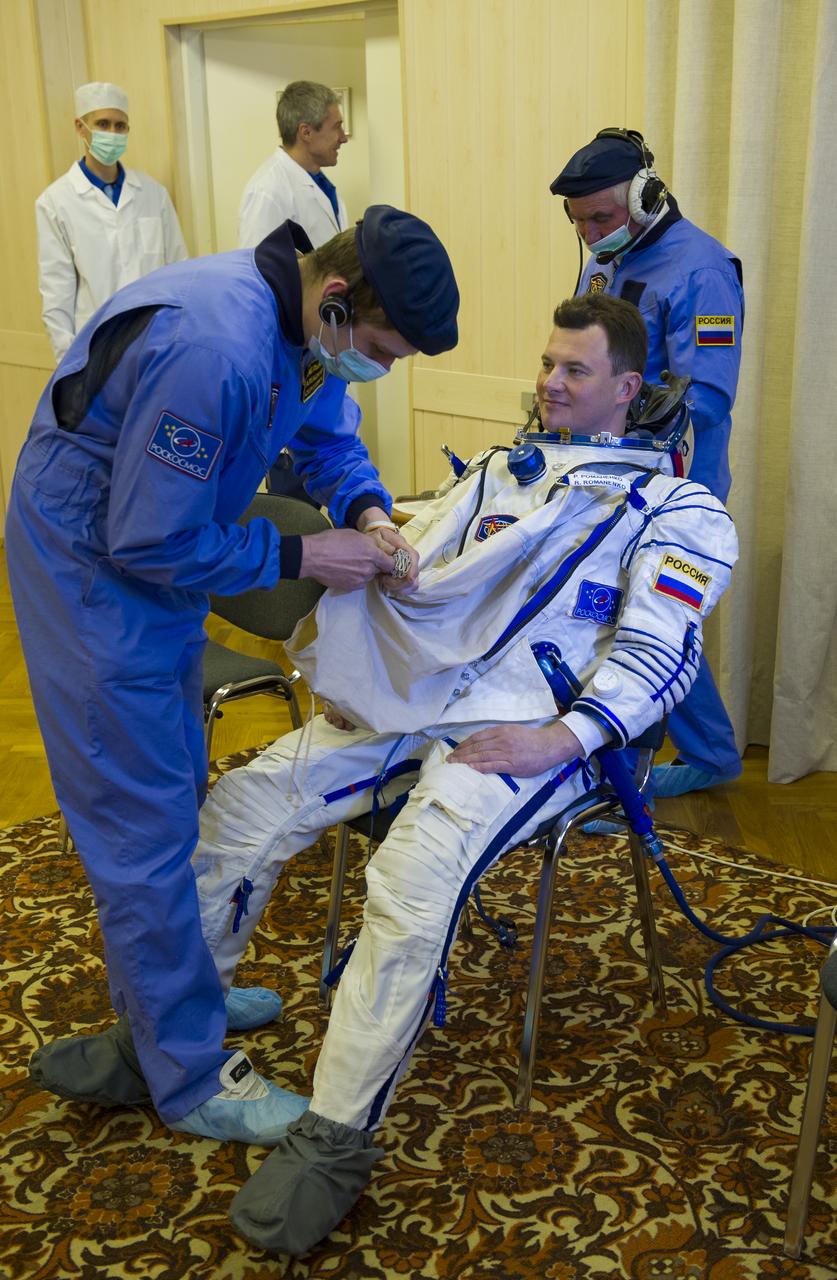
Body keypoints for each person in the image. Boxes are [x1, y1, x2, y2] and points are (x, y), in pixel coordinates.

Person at [39, 295, 735, 1254]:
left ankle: (335, 1138)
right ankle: (160, 1032)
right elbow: (412, 574)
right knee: (244, 803)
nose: (551, 384)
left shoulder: (676, 510)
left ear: (625, 387)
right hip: (420, 704)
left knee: (407, 878)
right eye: (545, 364)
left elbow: (665, 652)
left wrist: (567, 738)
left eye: (574, 372)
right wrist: (359, 666)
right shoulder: (504, 471)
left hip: (537, 736)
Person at [11, 205, 459, 1146]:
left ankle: (176, 1000)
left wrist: (370, 511)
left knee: (171, 786)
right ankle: (186, 1074)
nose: (386, 367)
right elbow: (148, 537)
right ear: (338, 300)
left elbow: (327, 435)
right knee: (140, 823)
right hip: (93, 568)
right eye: (386, 348)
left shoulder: (304, 326)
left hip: (157, 553)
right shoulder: (213, 345)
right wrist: (302, 560)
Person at [551, 127, 745, 798]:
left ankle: (680, 760)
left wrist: (624, 408)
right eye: (576, 221)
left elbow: (709, 399)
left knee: (653, 614)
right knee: (622, 615)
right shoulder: (605, 256)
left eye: (599, 217)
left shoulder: (702, 269)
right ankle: (696, 753)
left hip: (674, 481)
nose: (588, 232)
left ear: (644, 195)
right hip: (605, 466)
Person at [36, 81, 188, 362]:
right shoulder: (56, 202)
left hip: (157, 345)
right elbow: (57, 296)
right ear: (81, 127)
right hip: (96, 352)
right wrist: (71, 369)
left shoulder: (154, 194)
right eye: (102, 124)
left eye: (120, 126)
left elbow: (180, 273)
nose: (112, 133)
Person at [239, 81, 348, 250]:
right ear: (306, 132)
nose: (343, 138)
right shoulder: (267, 191)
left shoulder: (320, 183)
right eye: (337, 127)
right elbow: (258, 270)